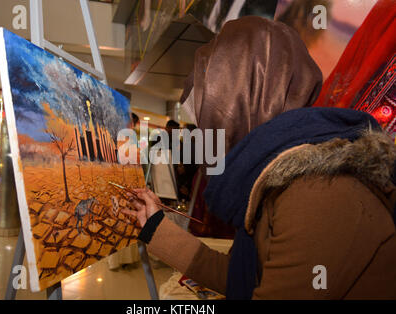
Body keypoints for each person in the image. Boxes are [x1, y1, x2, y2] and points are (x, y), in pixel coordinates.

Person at [121, 16, 396, 299]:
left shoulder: (316, 193)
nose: (205, 136)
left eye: (209, 120)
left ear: (239, 108)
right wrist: (155, 226)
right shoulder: (284, 178)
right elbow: (243, 278)